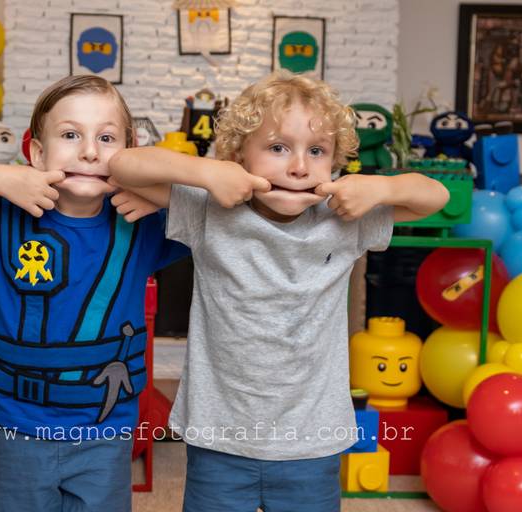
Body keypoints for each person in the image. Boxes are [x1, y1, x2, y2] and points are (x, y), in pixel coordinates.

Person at [109, 70, 449, 511]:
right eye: (277, 148)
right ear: (240, 155)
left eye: (317, 151)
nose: (299, 166)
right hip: (220, 438)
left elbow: (436, 196)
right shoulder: (209, 208)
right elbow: (123, 165)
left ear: (336, 160)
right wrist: (209, 172)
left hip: (312, 443)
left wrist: (382, 187)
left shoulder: (346, 217)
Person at [0, 75, 187, 512]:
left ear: (129, 154)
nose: (89, 152)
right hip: (20, 427)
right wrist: (0, 178)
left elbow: (226, 204)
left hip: (106, 429)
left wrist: (159, 193)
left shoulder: (144, 224)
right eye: (70, 135)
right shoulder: (1, 215)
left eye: (106, 138)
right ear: (37, 153)